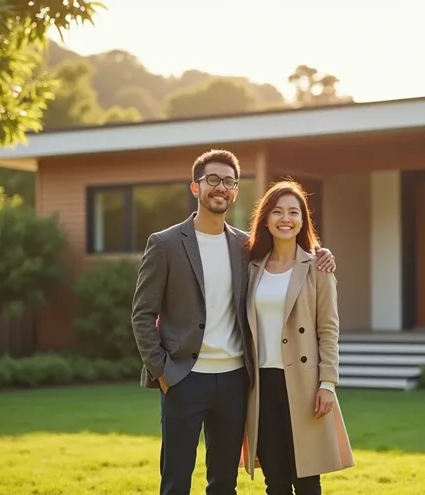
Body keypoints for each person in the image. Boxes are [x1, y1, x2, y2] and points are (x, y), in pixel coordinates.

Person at [130, 150, 336, 495]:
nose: (220, 187)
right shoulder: (164, 244)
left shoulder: (245, 246)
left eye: (228, 181)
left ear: (236, 191)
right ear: (195, 187)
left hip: (235, 381)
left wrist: (321, 254)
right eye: (212, 180)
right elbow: (142, 314)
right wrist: (162, 371)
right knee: (176, 480)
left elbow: (289, 258)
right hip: (183, 378)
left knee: (224, 482)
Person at [240, 180, 354, 495]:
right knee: (275, 481)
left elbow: (328, 329)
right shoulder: (251, 268)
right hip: (261, 386)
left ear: (303, 220)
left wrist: (327, 384)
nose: (285, 219)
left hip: (304, 386)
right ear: (265, 218)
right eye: (277, 212)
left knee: (306, 480)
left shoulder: (318, 267)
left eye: (293, 212)